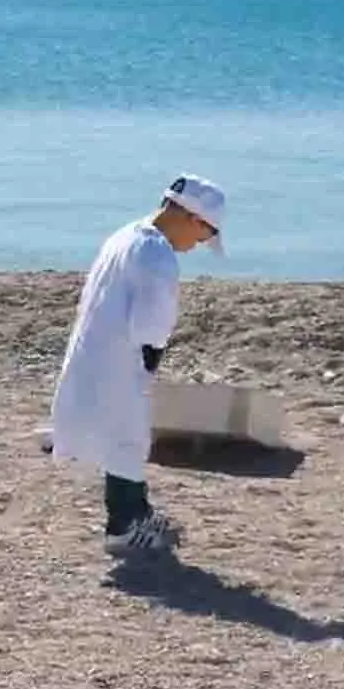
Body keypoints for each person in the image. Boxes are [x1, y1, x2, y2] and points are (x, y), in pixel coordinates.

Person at [49, 173, 225, 554]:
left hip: (93, 348)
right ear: (192, 218)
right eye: (205, 234)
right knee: (127, 440)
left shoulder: (126, 235)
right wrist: (150, 363)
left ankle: (137, 512)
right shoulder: (158, 255)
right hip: (120, 355)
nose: (198, 245)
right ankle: (125, 528)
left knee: (121, 439)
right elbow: (152, 325)